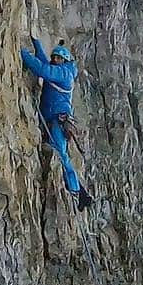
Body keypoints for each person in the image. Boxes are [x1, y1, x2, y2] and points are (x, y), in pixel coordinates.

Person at [20, 37, 93, 211]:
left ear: (65, 60)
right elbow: (46, 64)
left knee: (61, 154)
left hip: (57, 120)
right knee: (59, 152)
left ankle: (75, 190)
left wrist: (21, 52)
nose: (55, 60)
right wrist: (37, 44)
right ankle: (80, 192)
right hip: (53, 117)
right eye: (55, 58)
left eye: (59, 58)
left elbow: (42, 69)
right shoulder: (60, 69)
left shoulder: (65, 73)